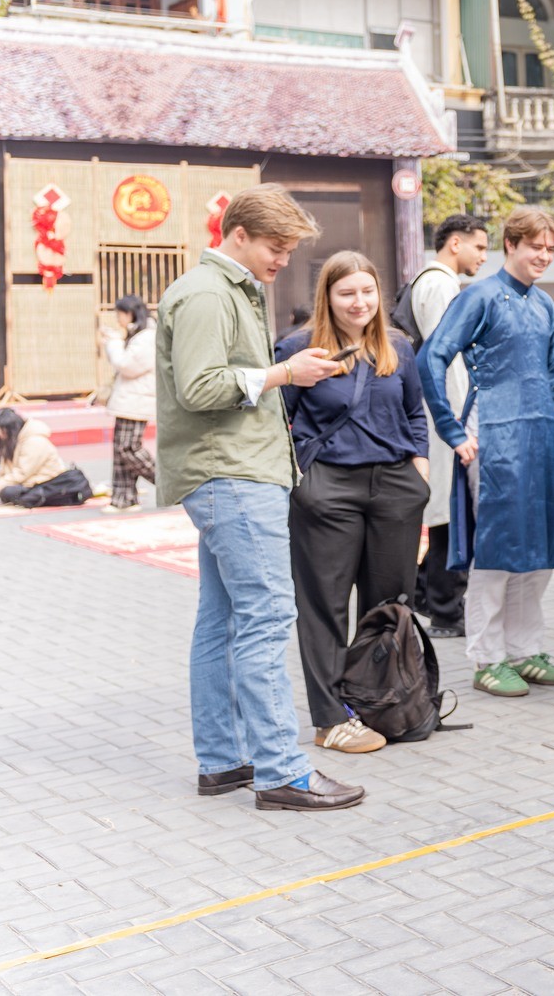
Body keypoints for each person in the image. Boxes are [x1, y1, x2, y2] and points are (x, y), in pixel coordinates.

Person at [156, 184, 362, 810]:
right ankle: (282, 772)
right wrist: (284, 373)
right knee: (268, 619)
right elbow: (199, 387)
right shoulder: (206, 293)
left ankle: (225, 762)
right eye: (277, 247)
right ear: (237, 234)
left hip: (232, 474)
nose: (283, 260)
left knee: (220, 624)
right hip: (233, 476)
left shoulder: (224, 290)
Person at [275, 252, 430, 755]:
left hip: (394, 489)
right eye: (347, 293)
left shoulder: (398, 347)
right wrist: (303, 481)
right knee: (324, 607)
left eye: (367, 292)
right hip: (328, 490)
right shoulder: (300, 350)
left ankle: (385, 702)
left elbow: (414, 415)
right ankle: (329, 718)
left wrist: (419, 476)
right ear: (328, 297)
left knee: (390, 607)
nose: (359, 302)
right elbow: (280, 422)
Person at [418, 207, 554, 699]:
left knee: (539, 548)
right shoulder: (480, 296)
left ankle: (526, 650)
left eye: (550, 248)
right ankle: (488, 657)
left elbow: (552, 374)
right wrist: (451, 429)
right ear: (511, 245)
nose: (543, 255)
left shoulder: (544, 304)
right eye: (535, 246)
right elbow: (431, 356)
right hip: (492, 438)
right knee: (497, 550)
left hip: (540, 438)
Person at [410, 213, 489, 638]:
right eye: (479, 247)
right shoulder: (439, 284)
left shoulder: (432, 281)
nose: (483, 257)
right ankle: (444, 608)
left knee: (447, 508)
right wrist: (460, 424)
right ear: (455, 243)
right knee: (451, 512)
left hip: (438, 412)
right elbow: (447, 356)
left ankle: (427, 593)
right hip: (447, 414)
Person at [0, 408, 92, 508]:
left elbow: (20, 474)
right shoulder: (11, 442)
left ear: (7, 429)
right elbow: (3, 471)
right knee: (1, 490)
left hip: (44, 483)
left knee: (7, 492)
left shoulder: (34, 441)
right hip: (26, 481)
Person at [100, 295, 157, 512]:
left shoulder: (147, 337)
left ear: (130, 313)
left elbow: (126, 365)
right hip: (130, 400)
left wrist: (113, 342)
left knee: (128, 448)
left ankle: (167, 482)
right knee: (120, 450)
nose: (118, 319)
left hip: (136, 401)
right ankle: (124, 498)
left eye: (119, 314)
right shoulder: (140, 335)